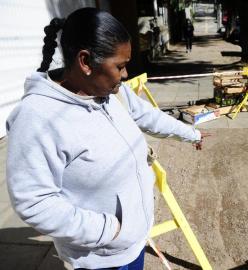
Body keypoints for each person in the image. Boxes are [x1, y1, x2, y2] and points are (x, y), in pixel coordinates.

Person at [6, 8, 208, 270]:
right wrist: (110, 230)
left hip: (133, 242)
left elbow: (148, 115)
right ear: (86, 62)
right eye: (120, 66)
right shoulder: (37, 118)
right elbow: (34, 201)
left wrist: (192, 133)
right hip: (101, 259)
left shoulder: (111, 92)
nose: (125, 75)